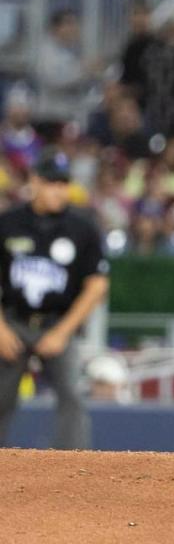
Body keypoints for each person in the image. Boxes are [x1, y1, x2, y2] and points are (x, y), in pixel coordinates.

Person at [0, 150, 110, 448]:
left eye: (63, 183)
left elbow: (97, 285)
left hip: (58, 323)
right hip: (13, 321)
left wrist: (62, 333)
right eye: (51, 182)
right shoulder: (8, 222)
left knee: (73, 396)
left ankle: (74, 469)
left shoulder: (82, 227)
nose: (58, 190)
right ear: (34, 181)